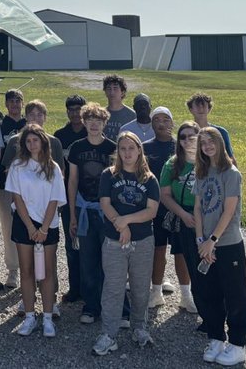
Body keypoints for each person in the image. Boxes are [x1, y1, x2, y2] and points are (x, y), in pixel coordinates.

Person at [92, 131, 158, 356]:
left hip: (143, 241)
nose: (127, 153)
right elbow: (105, 203)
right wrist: (121, 226)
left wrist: (127, 220)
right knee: (113, 287)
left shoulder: (149, 179)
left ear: (139, 150)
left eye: (132, 148)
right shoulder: (109, 175)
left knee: (140, 288)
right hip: (114, 240)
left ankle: (139, 328)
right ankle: (108, 334)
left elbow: (152, 211)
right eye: (123, 148)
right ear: (118, 152)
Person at [194, 126, 246, 367]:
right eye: (203, 143)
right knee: (210, 294)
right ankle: (217, 338)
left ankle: (237, 344)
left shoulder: (231, 173)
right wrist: (200, 240)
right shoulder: (202, 172)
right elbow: (197, 208)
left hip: (227, 244)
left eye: (211, 142)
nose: (207, 147)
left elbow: (229, 210)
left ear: (220, 143)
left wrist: (212, 240)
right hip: (205, 244)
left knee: (235, 295)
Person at [2, 100, 65, 320]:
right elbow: (16, 198)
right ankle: (29, 314)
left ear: (42, 142)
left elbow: (55, 198)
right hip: (24, 224)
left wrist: (44, 228)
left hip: (48, 225)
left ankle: (48, 313)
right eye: (27, 140)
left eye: (35, 140)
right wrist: (30, 226)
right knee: (27, 272)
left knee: (46, 272)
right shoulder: (18, 166)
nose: (31, 144)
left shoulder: (53, 167)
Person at [67, 103, 115, 326]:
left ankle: (110, 304)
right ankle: (90, 305)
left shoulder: (112, 148)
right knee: (87, 259)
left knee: (110, 260)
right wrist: (73, 215)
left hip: (106, 211)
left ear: (105, 123)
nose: (94, 124)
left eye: (98, 120)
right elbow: (73, 180)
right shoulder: (77, 147)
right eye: (90, 120)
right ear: (84, 122)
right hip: (84, 208)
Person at [158, 120, 200, 316]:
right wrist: (182, 214)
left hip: (206, 214)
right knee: (181, 255)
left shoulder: (208, 159)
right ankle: (186, 295)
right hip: (181, 213)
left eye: (192, 136)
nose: (187, 140)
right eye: (182, 137)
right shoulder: (172, 164)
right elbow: (164, 194)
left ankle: (206, 294)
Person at [142, 106, 182, 309]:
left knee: (181, 252)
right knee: (158, 250)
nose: (161, 123)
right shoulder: (145, 147)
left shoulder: (181, 147)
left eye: (165, 119)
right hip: (154, 207)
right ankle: (156, 291)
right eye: (156, 119)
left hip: (178, 207)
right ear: (151, 124)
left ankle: (187, 294)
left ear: (172, 123)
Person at [54, 94, 88, 304]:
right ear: (67, 111)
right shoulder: (60, 136)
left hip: (90, 196)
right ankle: (75, 286)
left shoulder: (91, 132)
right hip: (68, 197)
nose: (75, 113)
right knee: (72, 242)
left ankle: (90, 285)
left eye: (78, 109)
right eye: (71, 109)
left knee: (91, 244)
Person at [0, 88, 27, 290]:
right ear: (6, 105)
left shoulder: (29, 125)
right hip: (6, 184)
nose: (15, 105)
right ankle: (13, 269)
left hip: (30, 185)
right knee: (8, 227)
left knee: (29, 225)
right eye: (12, 101)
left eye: (18, 101)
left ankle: (31, 270)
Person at [186, 92, 234, 159]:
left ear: (209, 109)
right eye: (197, 106)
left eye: (203, 105)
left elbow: (230, 158)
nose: (201, 109)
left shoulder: (221, 132)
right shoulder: (187, 132)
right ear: (191, 110)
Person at [102, 76, 136, 140]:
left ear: (122, 92)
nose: (112, 92)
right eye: (109, 88)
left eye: (115, 88)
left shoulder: (132, 115)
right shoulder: (101, 114)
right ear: (105, 92)